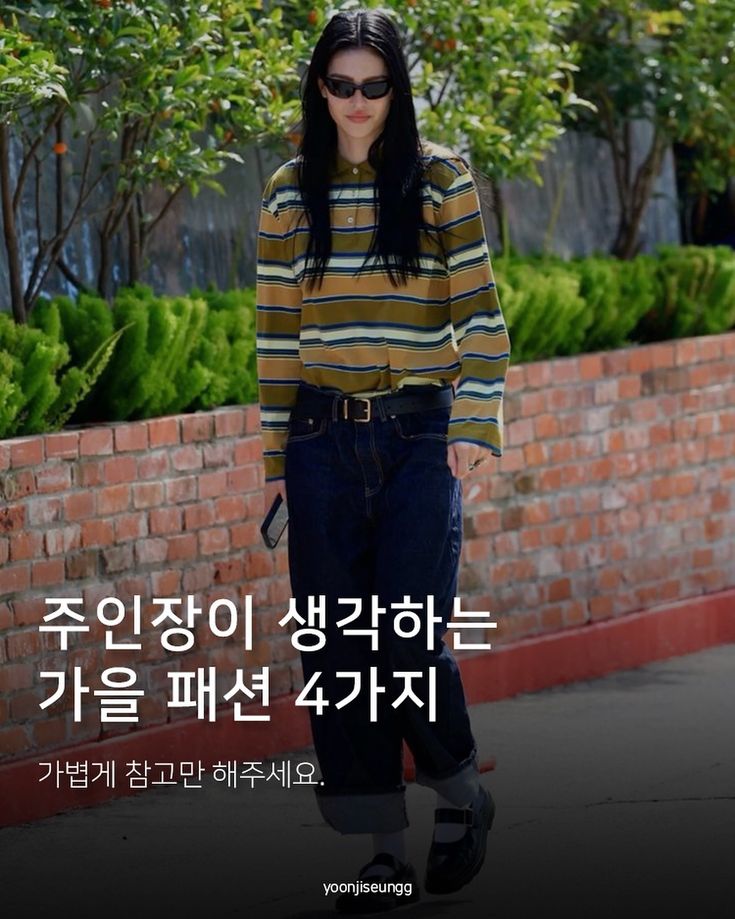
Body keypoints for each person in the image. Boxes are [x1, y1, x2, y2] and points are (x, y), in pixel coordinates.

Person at [255, 7, 511, 913]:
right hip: (321, 438)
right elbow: (279, 334)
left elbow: (480, 315)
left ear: (394, 91)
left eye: (372, 86)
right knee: (339, 647)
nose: (355, 103)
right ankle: (382, 853)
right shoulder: (290, 191)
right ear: (318, 89)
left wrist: (475, 425)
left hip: (417, 436)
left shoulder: (439, 179)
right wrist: (276, 455)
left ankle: (462, 795)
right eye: (339, 85)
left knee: (405, 634)